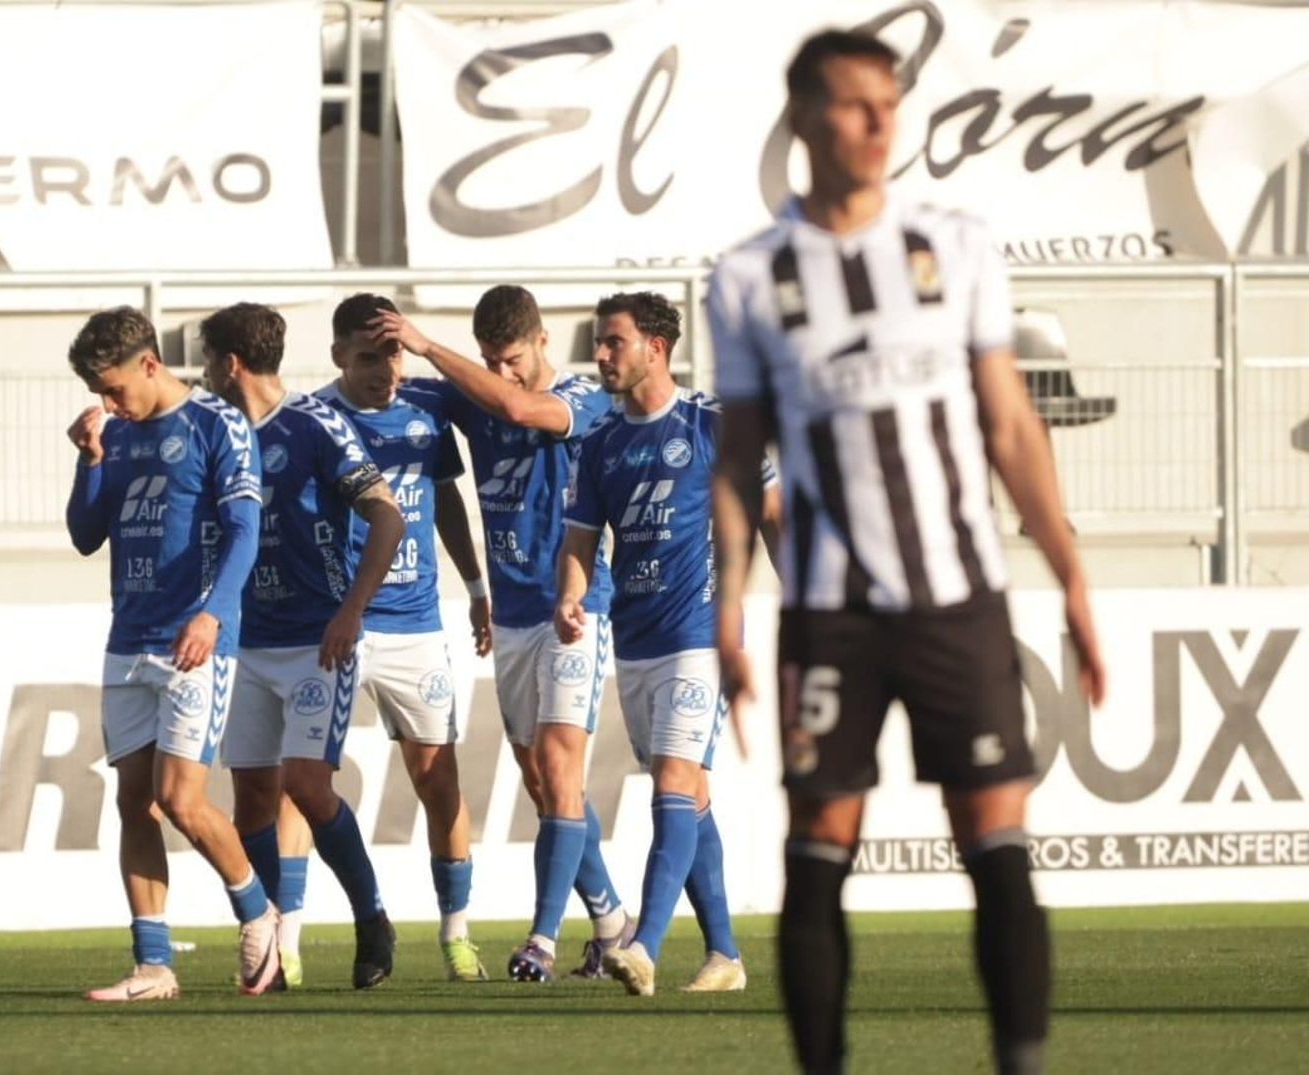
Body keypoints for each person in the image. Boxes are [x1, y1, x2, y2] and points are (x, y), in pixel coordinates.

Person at [707, 28, 1108, 1075]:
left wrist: (1068, 574)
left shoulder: (956, 243)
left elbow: (1010, 425)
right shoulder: (751, 275)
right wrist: (728, 611)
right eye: (853, 104)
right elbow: (736, 457)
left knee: (998, 850)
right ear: (802, 118)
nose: (881, 124)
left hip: (956, 598)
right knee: (816, 855)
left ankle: (1018, 1062)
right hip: (829, 609)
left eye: (889, 102)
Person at [366, 285, 635, 983]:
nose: (503, 372)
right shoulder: (478, 393)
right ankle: (611, 924)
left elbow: (518, 406)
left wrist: (428, 344)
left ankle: (541, 939)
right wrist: (375, 370)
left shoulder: (582, 399)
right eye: (491, 360)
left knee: (556, 764)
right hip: (512, 617)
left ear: (542, 341)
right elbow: (400, 394)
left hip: (574, 607)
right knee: (543, 784)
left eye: (511, 357)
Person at [63, 305, 281, 1001]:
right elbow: (85, 533)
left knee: (179, 797)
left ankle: (258, 912)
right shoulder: (118, 435)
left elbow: (246, 529)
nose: (107, 402)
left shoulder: (217, 425)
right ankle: (154, 964)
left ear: (150, 364)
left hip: (193, 643)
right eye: (97, 390)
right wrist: (89, 459)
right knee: (134, 802)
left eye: (113, 387)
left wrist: (213, 614)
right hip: (127, 639)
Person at [202, 302, 403, 991]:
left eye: (206, 361)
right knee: (251, 801)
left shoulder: (315, 426)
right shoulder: (213, 432)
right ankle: (270, 950)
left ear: (231, 364)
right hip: (245, 644)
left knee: (309, 787)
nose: (201, 375)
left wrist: (352, 610)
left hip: (317, 638)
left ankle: (371, 916)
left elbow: (387, 515)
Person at [554, 291, 746, 997]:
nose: (601, 355)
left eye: (613, 342)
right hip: (633, 644)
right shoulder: (600, 443)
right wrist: (570, 594)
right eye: (600, 343)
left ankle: (645, 945)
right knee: (689, 795)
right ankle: (724, 953)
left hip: (700, 637)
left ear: (655, 348)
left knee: (671, 781)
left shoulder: (710, 426)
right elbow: (578, 541)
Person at [315, 292, 492, 982]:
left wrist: (475, 585)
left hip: (416, 624)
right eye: (366, 356)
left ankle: (456, 932)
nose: (382, 370)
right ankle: (291, 942)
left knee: (438, 780)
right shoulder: (316, 418)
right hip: (337, 624)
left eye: (390, 353)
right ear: (338, 356)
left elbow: (446, 497)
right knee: (307, 780)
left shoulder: (424, 412)